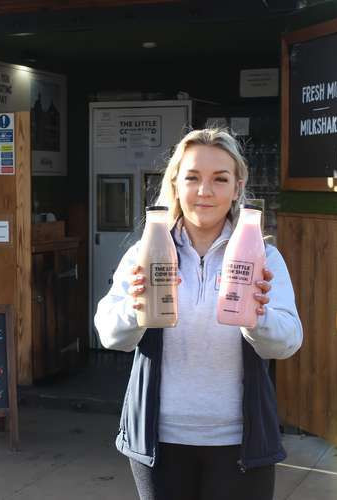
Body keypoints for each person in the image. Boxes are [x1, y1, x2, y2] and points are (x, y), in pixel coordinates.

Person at [94, 128, 303, 500]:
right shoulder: (147, 252)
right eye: (192, 177)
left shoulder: (263, 257)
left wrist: (257, 317)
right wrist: (137, 310)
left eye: (220, 179)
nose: (205, 191)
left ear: (237, 188)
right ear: (175, 184)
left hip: (240, 442)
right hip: (160, 441)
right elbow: (110, 334)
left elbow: (287, 342)